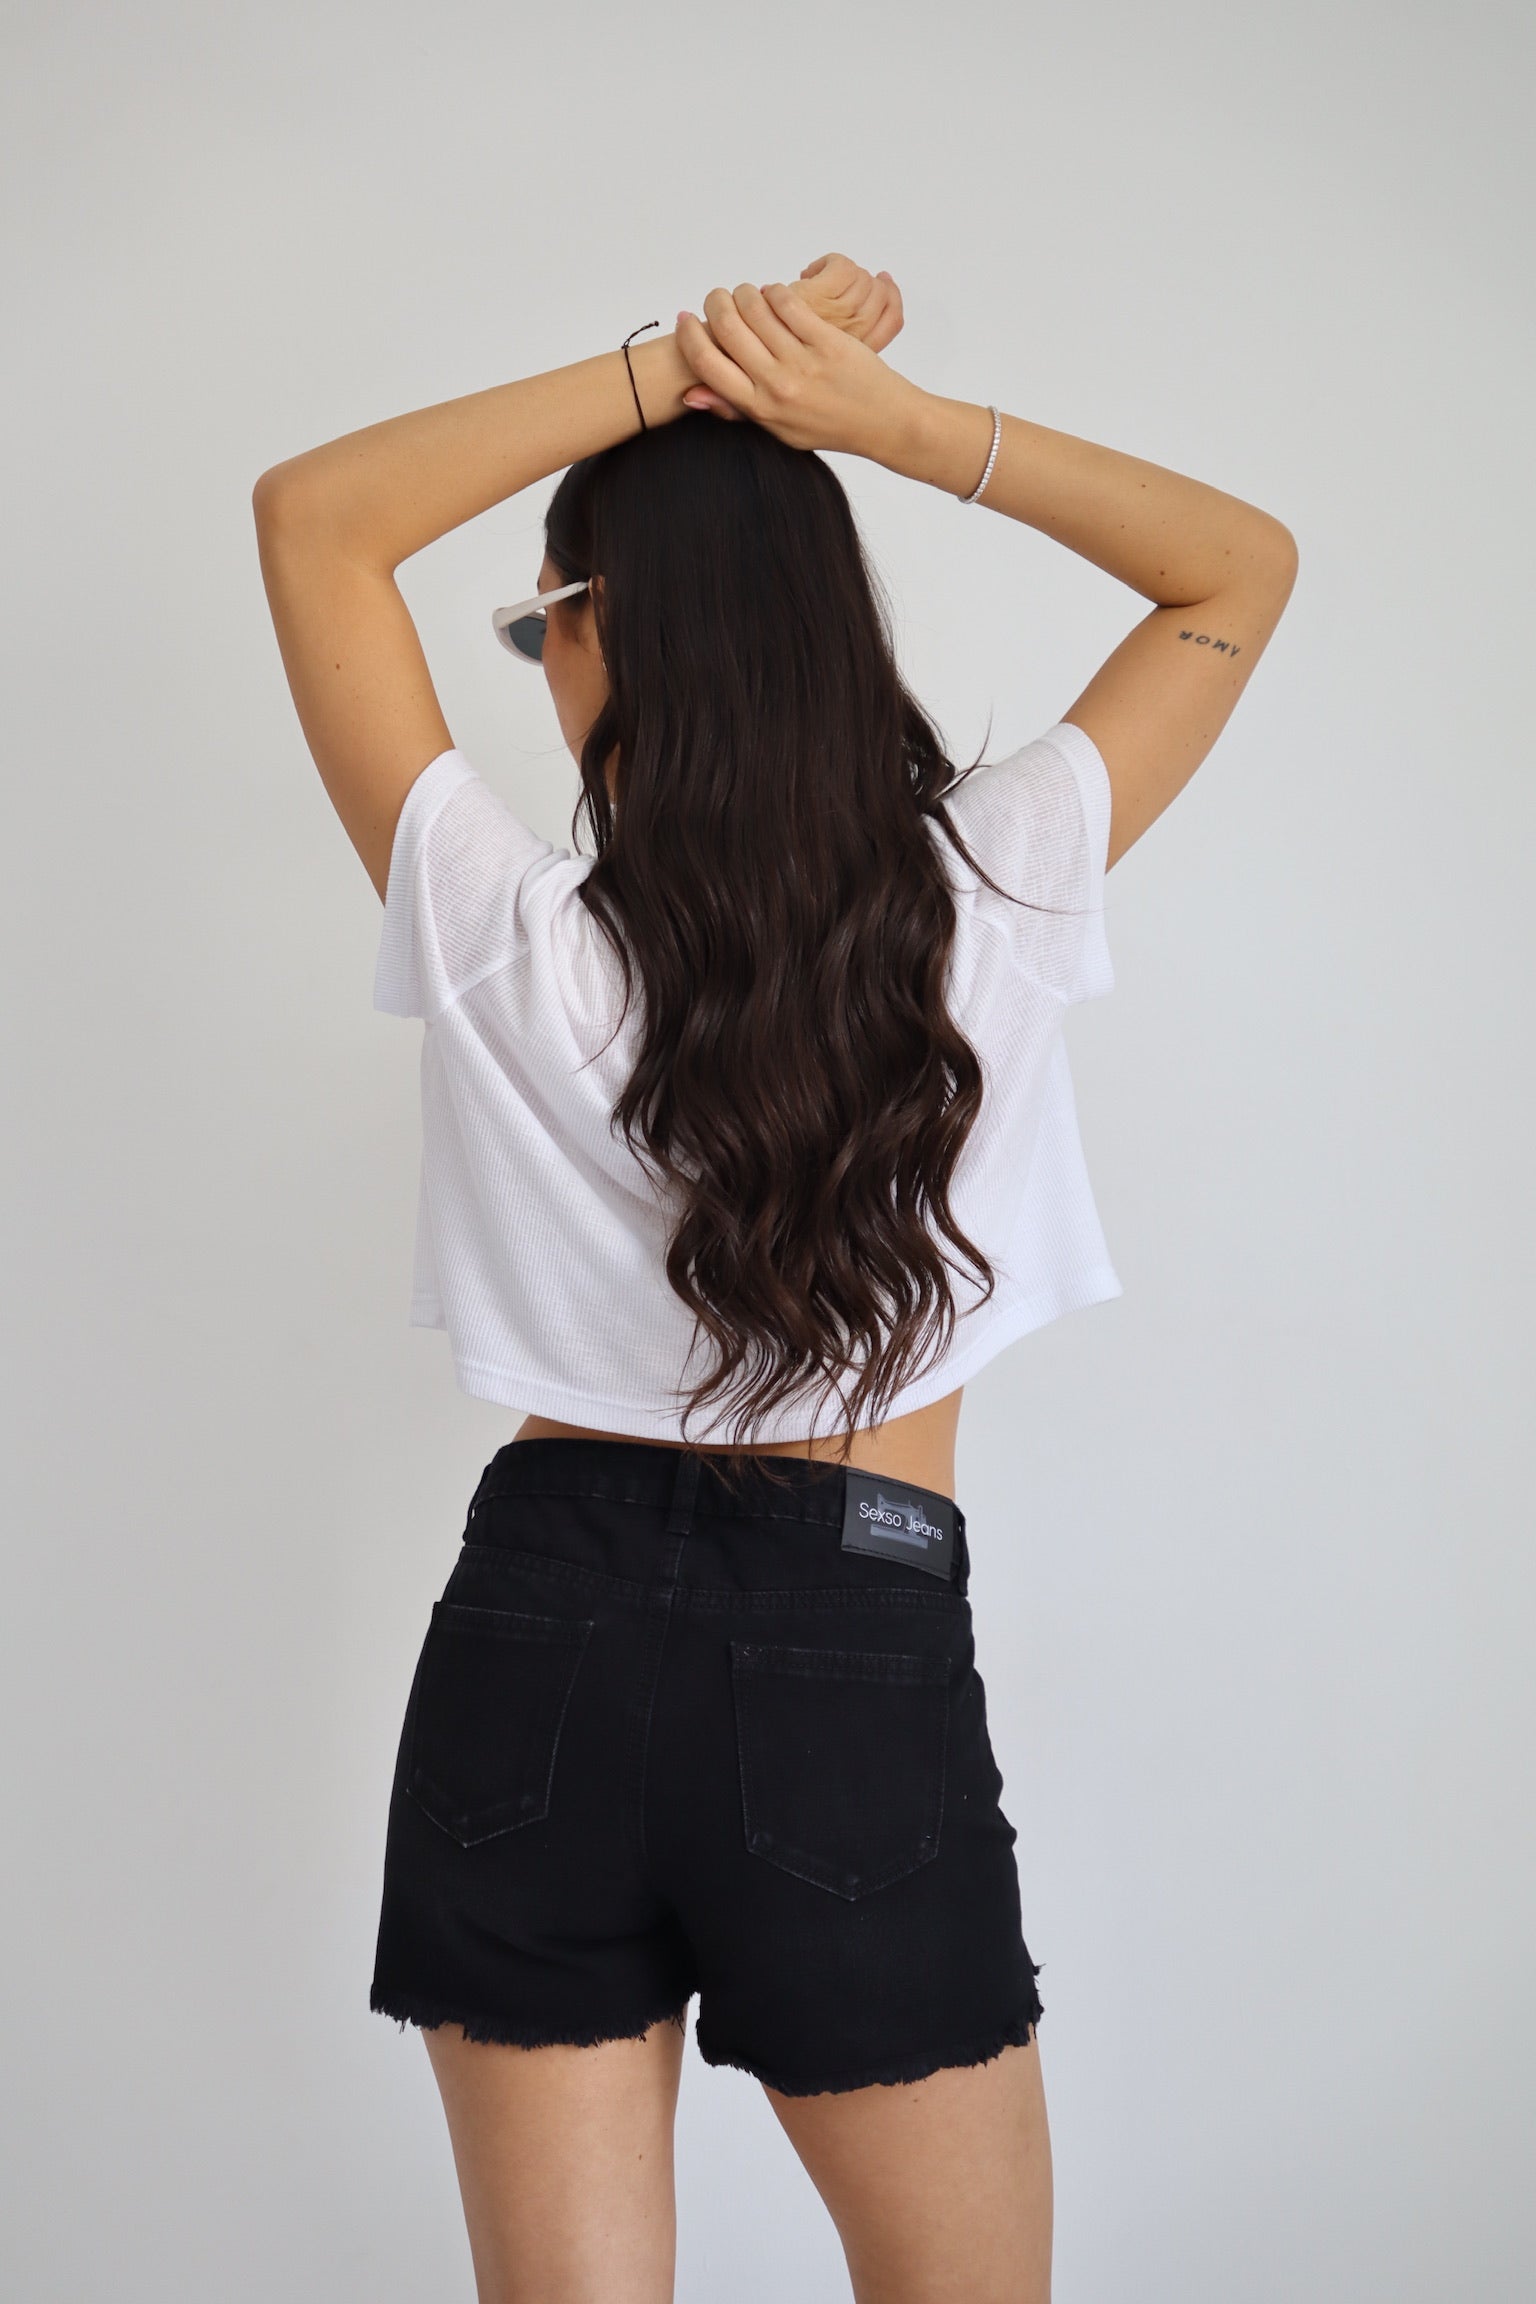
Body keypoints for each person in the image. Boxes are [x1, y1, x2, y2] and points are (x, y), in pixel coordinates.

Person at [253, 254, 1297, 2304]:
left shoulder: (495, 927)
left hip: (534, 1630)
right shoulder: (998, 886)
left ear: (605, 625)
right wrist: (877, 421)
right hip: (847, 1634)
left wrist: (673, 369)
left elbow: (315, 519)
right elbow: (1236, 568)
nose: (539, 669)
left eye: (539, 623)